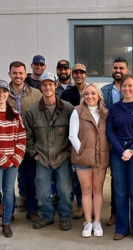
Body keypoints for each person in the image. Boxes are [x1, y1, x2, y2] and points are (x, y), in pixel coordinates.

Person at [101, 57, 133, 227]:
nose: (127, 88)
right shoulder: (113, 108)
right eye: (124, 86)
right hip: (117, 151)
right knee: (120, 192)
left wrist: (132, 149)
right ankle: (121, 227)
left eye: (130, 86)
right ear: (120, 89)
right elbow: (109, 130)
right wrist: (121, 150)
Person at [25, 72, 74, 231]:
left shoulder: (68, 108)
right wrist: (34, 154)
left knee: (65, 191)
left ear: (55, 86)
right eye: (44, 85)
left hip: (62, 156)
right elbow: (28, 138)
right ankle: (47, 216)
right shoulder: (32, 111)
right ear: (40, 87)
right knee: (43, 191)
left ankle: (65, 217)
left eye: (50, 84)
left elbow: (75, 134)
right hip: (43, 158)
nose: (47, 87)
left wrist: (69, 152)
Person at [69, 82, 109, 237]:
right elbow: (72, 135)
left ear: (98, 95)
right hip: (83, 159)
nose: (90, 96)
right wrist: (82, 152)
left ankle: (97, 222)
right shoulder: (77, 111)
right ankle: (88, 222)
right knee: (86, 190)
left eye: (93, 93)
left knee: (98, 190)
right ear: (83, 96)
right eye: (87, 94)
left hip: (101, 159)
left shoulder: (105, 113)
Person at [8, 61, 42, 221]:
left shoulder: (36, 94)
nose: (18, 76)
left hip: (28, 143)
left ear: (25, 74)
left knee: (31, 178)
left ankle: (32, 210)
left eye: (21, 73)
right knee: (7, 182)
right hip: (7, 144)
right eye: (15, 73)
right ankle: (7, 212)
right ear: (10, 74)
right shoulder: (3, 94)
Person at [61, 63, 88, 220]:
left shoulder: (91, 91)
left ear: (86, 74)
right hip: (72, 137)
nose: (78, 75)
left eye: (81, 72)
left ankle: (88, 204)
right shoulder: (67, 94)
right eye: (76, 72)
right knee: (76, 174)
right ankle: (78, 204)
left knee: (89, 173)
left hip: (89, 136)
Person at [0, 80, 26, 237]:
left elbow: (22, 138)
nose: (1, 95)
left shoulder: (15, 114)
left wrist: (16, 158)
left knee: (9, 191)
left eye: (3, 91)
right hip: (3, 160)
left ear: (7, 93)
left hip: (12, 162)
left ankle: (6, 222)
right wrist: (3, 159)